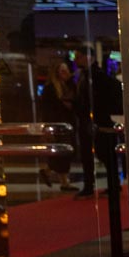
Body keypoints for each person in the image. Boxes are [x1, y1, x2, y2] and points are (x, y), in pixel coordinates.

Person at [37, 60, 79, 191]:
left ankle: (51, 173)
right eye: (62, 71)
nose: (65, 73)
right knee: (63, 152)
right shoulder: (51, 88)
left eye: (67, 70)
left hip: (67, 123)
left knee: (66, 152)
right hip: (57, 124)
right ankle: (62, 181)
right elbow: (47, 110)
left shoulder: (68, 86)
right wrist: (48, 128)